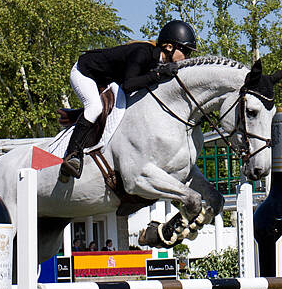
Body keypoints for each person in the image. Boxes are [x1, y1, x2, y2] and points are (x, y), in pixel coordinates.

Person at [61, 20, 198, 179]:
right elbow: (128, 85)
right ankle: (72, 155)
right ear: (169, 47)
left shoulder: (159, 60)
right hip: (85, 72)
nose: (187, 57)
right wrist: (159, 75)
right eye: (185, 52)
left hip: (108, 79)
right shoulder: (142, 53)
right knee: (95, 108)